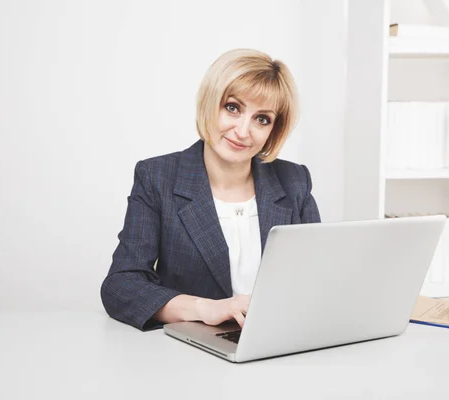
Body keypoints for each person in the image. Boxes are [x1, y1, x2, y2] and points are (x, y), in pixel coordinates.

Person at [100, 48, 321, 331]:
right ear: (210, 103)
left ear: (273, 130)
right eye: (233, 108)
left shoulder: (294, 181)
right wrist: (209, 308)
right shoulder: (157, 177)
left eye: (262, 119)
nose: (243, 131)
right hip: (191, 356)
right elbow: (120, 286)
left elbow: (317, 279)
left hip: (279, 340)